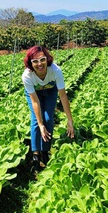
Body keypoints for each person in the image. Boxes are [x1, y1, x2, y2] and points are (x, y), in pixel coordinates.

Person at [22, 45, 74, 173]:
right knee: (36, 121)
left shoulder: (55, 71)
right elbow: (35, 101)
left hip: (51, 92)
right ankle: (35, 155)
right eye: (35, 61)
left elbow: (63, 95)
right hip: (35, 94)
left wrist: (70, 120)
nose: (39, 64)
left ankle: (45, 151)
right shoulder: (27, 76)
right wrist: (40, 125)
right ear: (30, 63)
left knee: (48, 119)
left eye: (42, 59)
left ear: (47, 59)